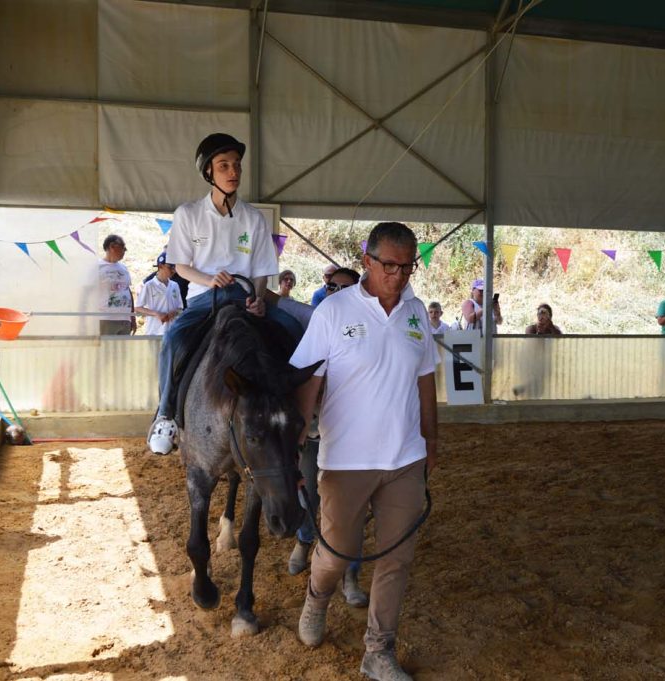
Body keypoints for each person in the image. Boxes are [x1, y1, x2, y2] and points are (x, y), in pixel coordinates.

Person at [291, 221, 437, 681]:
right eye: (389, 264)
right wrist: (296, 446)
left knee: (396, 556)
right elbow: (307, 381)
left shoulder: (416, 314)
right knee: (337, 552)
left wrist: (432, 443)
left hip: (405, 459)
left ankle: (378, 651)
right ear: (367, 262)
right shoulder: (333, 311)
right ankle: (317, 597)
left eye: (408, 265)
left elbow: (426, 380)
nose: (399, 274)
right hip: (345, 461)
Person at [147, 132, 280, 456]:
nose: (233, 171)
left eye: (236, 165)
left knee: (290, 333)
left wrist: (258, 299)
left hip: (244, 296)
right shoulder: (188, 214)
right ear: (209, 172)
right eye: (224, 166)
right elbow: (180, 266)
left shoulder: (254, 217)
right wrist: (209, 279)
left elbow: (262, 268)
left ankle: (293, 413)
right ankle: (165, 415)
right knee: (174, 339)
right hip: (203, 297)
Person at [288, 266, 368, 608]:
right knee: (308, 492)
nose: (335, 292)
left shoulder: (368, 331)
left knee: (354, 510)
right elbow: (280, 303)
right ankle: (304, 542)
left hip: (353, 435)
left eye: (344, 287)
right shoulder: (314, 319)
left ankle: (351, 575)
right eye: (330, 286)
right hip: (316, 430)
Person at [136, 252, 184, 336]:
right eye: (170, 267)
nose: (174, 270)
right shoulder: (149, 285)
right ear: (160, 266)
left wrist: (174, 312)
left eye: (175, 267)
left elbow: (180, 308)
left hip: (172, 332)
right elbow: (138, 308)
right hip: (154, 332)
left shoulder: (175, 285)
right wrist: (156, 314)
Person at [98, 234, 134, 335]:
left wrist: (132, 316)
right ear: (112, 246)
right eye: (123, 247)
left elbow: (128, 290)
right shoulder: (97, 267)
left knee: (123, 351)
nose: (125, 250)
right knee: (105, 350)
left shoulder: (124, 268)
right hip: (105, 319)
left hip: (125, 319)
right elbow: (86, 292)